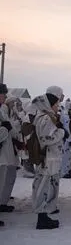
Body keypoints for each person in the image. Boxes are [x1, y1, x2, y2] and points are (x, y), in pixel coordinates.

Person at [31, 93, 67, 229]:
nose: (58, 106)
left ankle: (43, 214)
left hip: (49, 157)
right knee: (43, 186)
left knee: (44, 185)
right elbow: (45, 139)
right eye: (56, 104)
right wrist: (61, 133)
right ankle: (41, 217)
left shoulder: (46, 116)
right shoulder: (46, 118)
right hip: (47, 158)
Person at [0, 84, 21, 214]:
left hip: (6, 152)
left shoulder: (3, 111)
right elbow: (6, 129)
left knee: (4, 181)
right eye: (3, 94)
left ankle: (2, 203)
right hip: (2, 151)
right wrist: (4, 129)